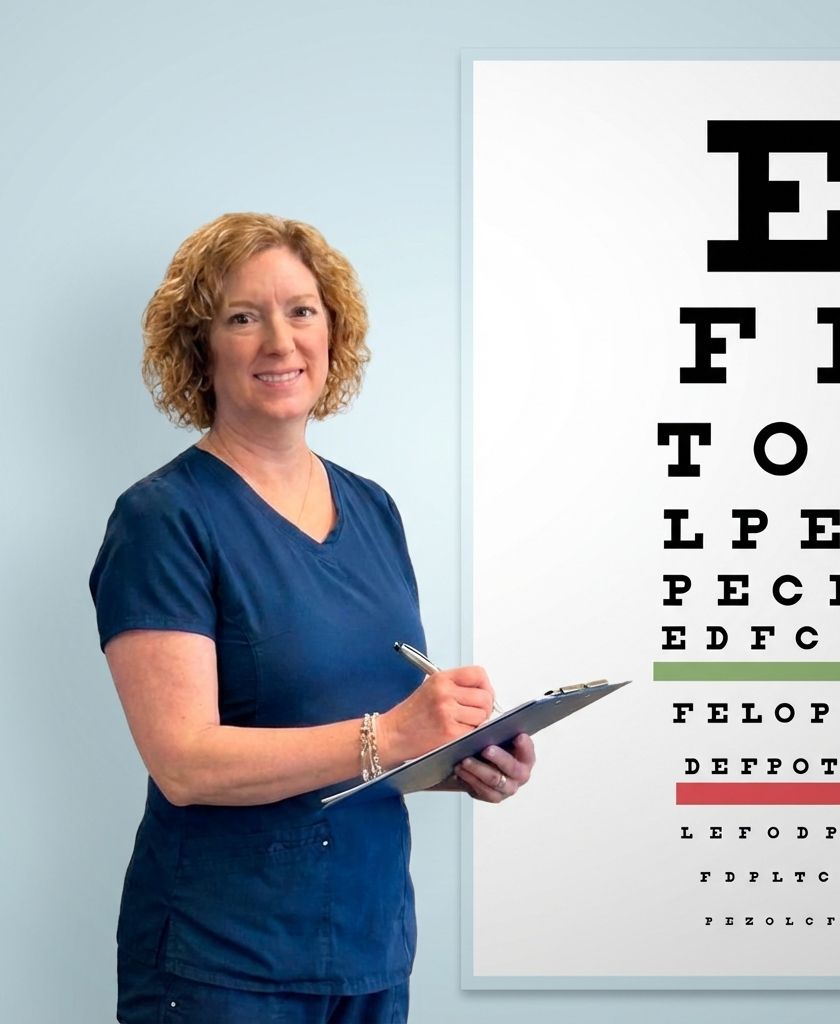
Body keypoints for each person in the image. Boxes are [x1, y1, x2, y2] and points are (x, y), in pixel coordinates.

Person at [89, 212, 535, 1023]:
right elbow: (183, 762)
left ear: (333, 333)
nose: (279, 341)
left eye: (301, 310)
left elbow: (355, 730)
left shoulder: (373, 509)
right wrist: (394, 735)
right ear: (202, 348)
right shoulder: (164, 519)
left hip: (369, 947)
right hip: (223, 962)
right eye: (241, 317)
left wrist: (458, 756)